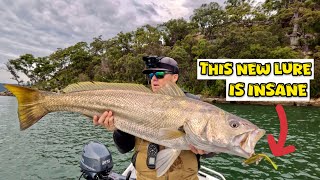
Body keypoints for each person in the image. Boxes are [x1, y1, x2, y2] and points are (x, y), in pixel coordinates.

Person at [93, 56, 208, 180]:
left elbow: (215, 144)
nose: (154, 78)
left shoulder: (196, 105)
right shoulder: (135, 102)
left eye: (159, 74)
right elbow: (124, 148)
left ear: (175, 77)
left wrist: (207, 150)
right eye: (151, 74)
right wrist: (118, 129)